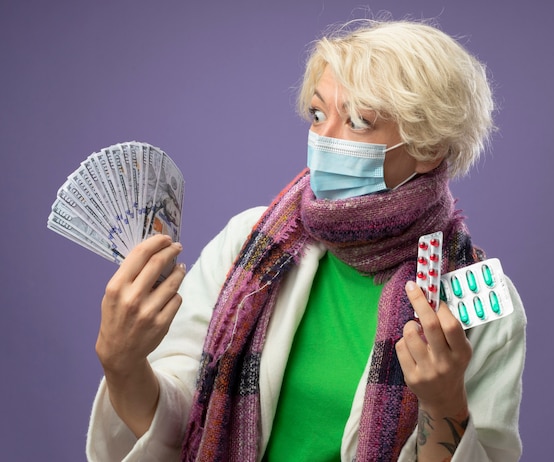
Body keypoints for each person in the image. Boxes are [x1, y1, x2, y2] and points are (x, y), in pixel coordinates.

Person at [87, 18, 526, 462]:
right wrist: (123, 365)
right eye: (318, 114)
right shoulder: (251, 243)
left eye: (357, 121)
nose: (325, 138)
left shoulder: (478, 302)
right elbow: (185, 425)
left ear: (429, 147)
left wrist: (444, 404)